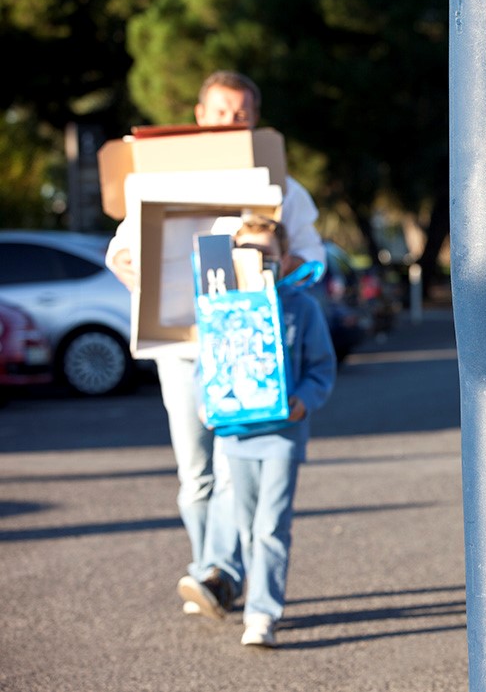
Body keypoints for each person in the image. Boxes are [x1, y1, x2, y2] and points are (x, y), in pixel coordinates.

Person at [105, 70, 326, 619]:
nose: (232, 121)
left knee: (231, 466)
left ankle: (217, 574)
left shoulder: (281, 185)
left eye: (242, 113)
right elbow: (120, 251)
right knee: (195, 474)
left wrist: (277, 264)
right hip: (177, 345)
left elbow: (316, 262)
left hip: (244, 344)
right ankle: (209, 568)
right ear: (200, 116)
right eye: (222, 112)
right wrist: (124, 262)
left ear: (254, 119)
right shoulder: (158, 179)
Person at [182, 214, 336, 647]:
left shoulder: (301, 307)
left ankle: (263, 614)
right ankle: (248, 597)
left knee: (271, 526)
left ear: (284, 258)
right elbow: (204, 367)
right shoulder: (220, 307)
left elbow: (322, 366)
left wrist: (305, 400)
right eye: (247, 254)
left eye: (266, 254)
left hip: (282, 436)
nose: (258, 262)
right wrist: (204, 402)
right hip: (235, 434)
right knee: (247, 526)